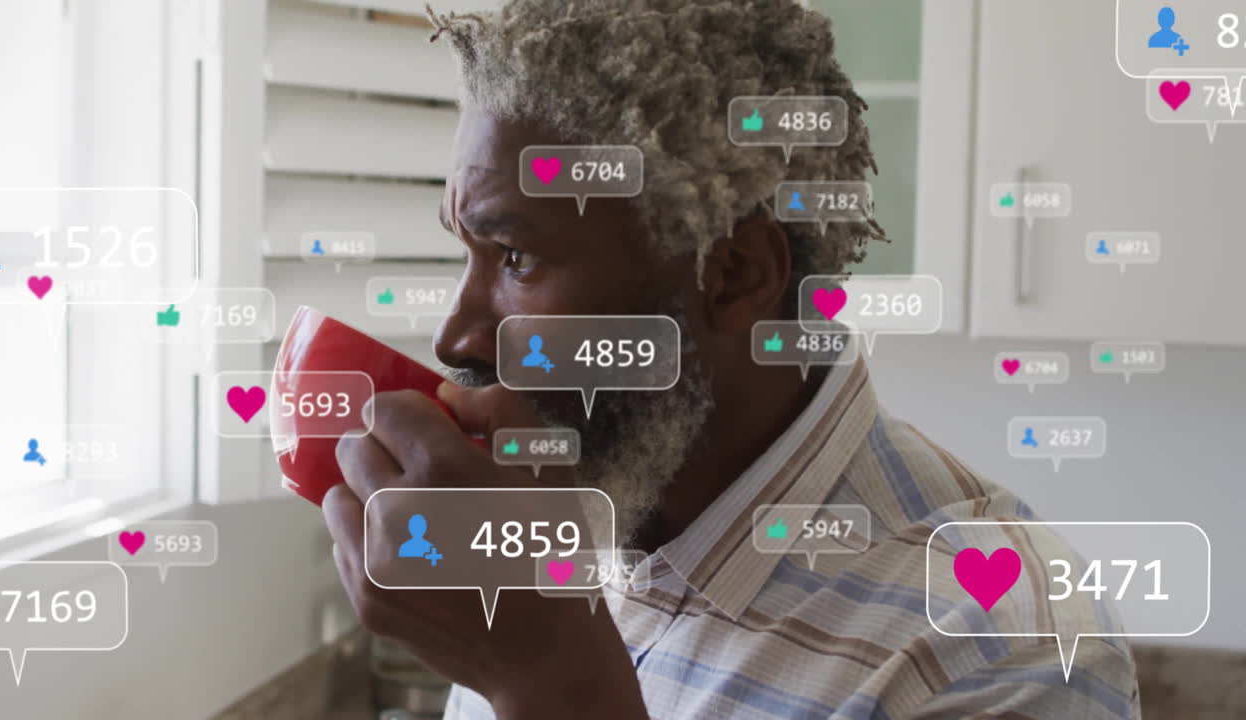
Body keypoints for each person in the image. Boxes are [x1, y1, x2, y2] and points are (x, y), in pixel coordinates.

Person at [321, 2, 1140, 718]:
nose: (456, 336)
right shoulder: (563, 520)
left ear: (734, 275)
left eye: (516, 257)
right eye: (465, 251)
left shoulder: (1002, 651)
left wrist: (549, 680)